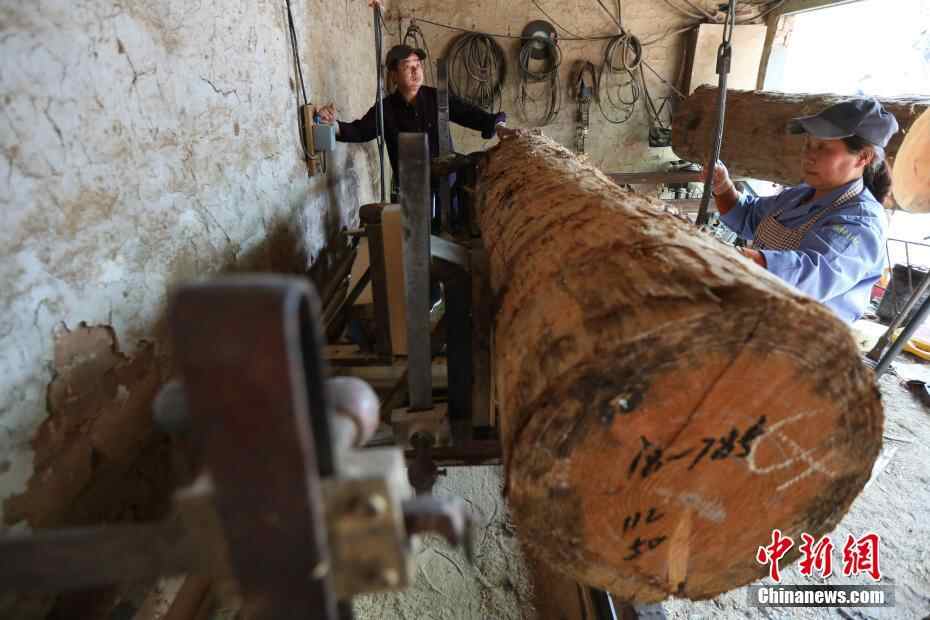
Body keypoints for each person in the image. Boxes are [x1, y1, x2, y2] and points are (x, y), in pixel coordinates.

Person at [708, 98, 899, 324]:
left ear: (863, 157)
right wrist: (723, 187)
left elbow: (810, 273)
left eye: (823, 147)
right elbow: (749, 216)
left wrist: (725, 255)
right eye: (808, 144)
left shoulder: (861, 221)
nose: (809, 156)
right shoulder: (799, 195)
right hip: (763, 313)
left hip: (803, 334)